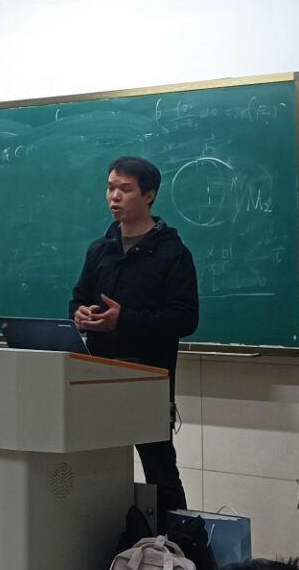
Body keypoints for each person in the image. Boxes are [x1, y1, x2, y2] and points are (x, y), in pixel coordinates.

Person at [70, 156, 200, 517]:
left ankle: (180, 541)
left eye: (125, 189)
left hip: (147, 381)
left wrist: (124, 319)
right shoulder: (100, 249)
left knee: (160, 471)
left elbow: (185, 319)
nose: (114, 196)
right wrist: (79, 315)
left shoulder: (172, 253)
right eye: (110, 188)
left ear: (149, 195)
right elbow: (78, 298)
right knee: (98, 467)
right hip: (98, 377)